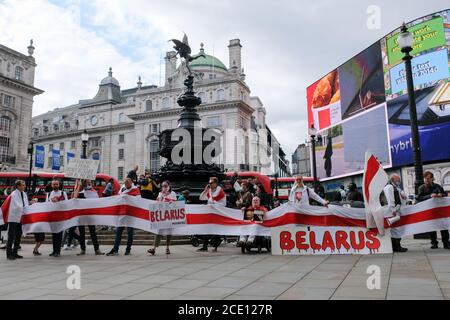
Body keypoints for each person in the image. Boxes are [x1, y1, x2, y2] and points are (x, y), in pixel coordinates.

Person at [106, 178, 141, 256]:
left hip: (130, 214)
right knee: (118, 231)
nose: (126, 186)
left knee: (130, 232)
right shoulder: (122, 188)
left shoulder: (136, 190)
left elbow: (139, 201)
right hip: (122, 213)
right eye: (125, 184)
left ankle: (128, 250)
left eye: (128, 184)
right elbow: (118, 198)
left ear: (131, 183)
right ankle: (115, 249)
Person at [418, 171, 449, 249]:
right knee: (432, 227)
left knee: (443, 226)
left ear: (432, 179)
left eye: (428, 178)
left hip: (439, 211)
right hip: (429, 211)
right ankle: (434, 243)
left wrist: (441, 195)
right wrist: (430, 196)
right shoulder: (421, 188)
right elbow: (419, 198)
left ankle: (446, 243)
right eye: (425, 178)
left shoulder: (437, 186)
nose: (426, 180)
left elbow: (445, 194)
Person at [72, 179, 104, 256]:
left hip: (90, 216)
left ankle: (97, 249)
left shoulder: (94, 192)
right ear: (84, 183)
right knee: (82, 233)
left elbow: (98, 204)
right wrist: (78, 185)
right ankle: (83, 249)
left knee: (93, 232)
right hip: (81, 216)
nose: (89, 184)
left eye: (90, 182)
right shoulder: (81, 193)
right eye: (88, 182)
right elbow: (75, 197)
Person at [147, 180, 177, 256]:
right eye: (163, 186)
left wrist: (167, 198)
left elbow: (175, 202)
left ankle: (167, 248)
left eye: (166, 186)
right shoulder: (160, 194)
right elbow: (157, 203)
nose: (164, 187)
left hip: (170, 215)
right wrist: (163, 196)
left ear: (169, 186)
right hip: (162, 215)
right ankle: (154, 248)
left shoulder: (173, 193)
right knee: (158, 232)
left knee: (169, 233)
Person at [198, 177, 227, 251]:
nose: (209, 184)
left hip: (217, 213)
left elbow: (223, 204)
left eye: (211, 183)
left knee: (216, 230)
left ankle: (215, 245)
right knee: (207, 229)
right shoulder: (209, 191)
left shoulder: (220, 192)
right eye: (209, 183)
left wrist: (214, 203)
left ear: (215, 183)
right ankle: (205, 246)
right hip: (210, 213)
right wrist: (205, 190)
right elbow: (201, 198)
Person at [4, 180, 30, 260]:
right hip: (13, 218)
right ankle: (9, 254)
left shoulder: (24, 194)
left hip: (20, 218)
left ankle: (15, 253)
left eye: (24, 185)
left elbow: (25, 204)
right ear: (18, 186)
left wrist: (30, 204)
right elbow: (18, 206)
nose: (24, 186)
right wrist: (25, 208)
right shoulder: (14, 194)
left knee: (18, 235)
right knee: (11, 236)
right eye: (22, 185)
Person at [383, 174, 408, 252]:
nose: (399, 181)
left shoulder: (396, 188)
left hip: (396, 209)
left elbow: (401, 198)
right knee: (395, 229)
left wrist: (403, 197)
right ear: (393, 179)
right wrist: (393, 210)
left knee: (396, 228)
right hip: (392, 211)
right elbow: (390, 199)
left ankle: (396, 246)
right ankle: (396, 246)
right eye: (398, 180)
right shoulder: (389, 187)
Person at [47, 179, 69, 257]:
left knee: (59, 234)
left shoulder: (63, 193)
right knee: (54, 235)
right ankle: (54, 251)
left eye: (56, 184)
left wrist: (58, 202)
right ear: (51, 185)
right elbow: (47, 205)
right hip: (52, 216)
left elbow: (66, 204)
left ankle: (57, 251)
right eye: (54, 184)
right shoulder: (49, 194)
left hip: (60, 216)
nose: (55, 185)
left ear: (59, 185)